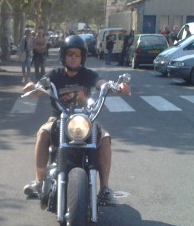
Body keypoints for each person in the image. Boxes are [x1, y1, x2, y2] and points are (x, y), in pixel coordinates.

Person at [22, 35, 131, 204]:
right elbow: (39, 89)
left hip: (84, 119)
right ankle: (40, 181)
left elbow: (101, 83)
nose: (74, 57)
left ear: (82, 57)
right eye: (70, 54)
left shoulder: (88, 75)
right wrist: (33, 87)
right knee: (43, 132)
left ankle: (104, 189)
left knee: (105, 139)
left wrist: (116, 87)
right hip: (59, 118)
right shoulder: (55, 75)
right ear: (64, 56)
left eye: (77, 54)